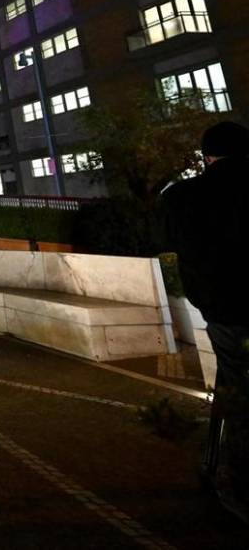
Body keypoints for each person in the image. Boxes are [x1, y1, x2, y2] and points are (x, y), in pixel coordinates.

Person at [161, 120, 249, 523]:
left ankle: (235, 477)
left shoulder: (183, 196)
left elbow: (164, 238)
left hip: (224, 310)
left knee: (235, 388)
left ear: (207, 156)